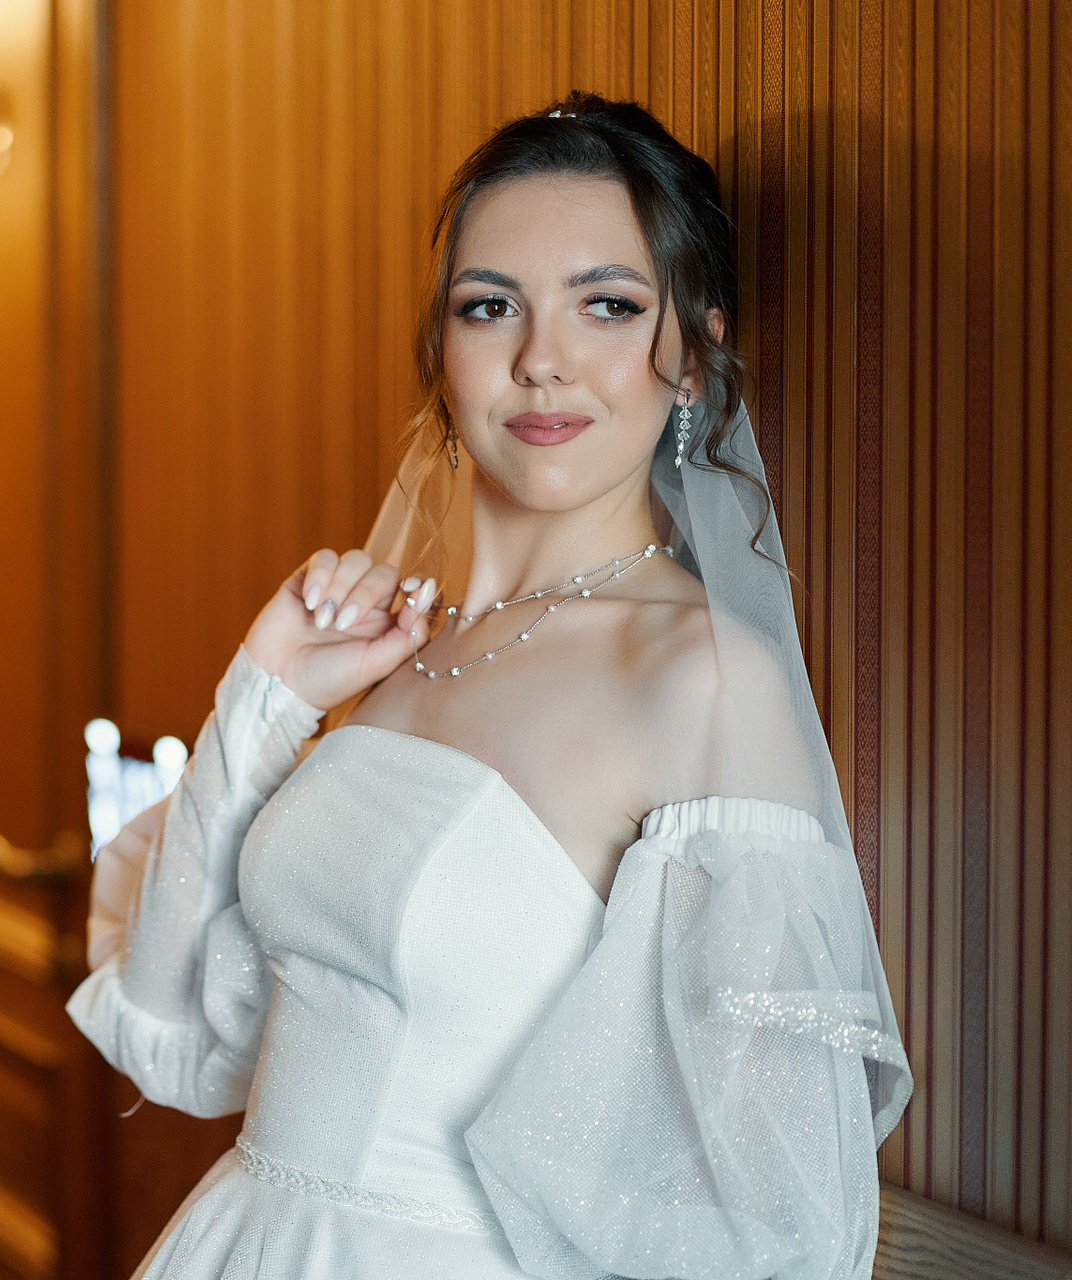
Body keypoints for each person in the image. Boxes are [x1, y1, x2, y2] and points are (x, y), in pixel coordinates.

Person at [67, 91, 912, 1280]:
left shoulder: (704, 679)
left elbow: (763, 1214)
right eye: (490, 305)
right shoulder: (395, 649)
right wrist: (263, 698)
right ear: (442, 351)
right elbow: (177, 1034)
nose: (540, 359)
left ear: (692, 355)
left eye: (607, 304)